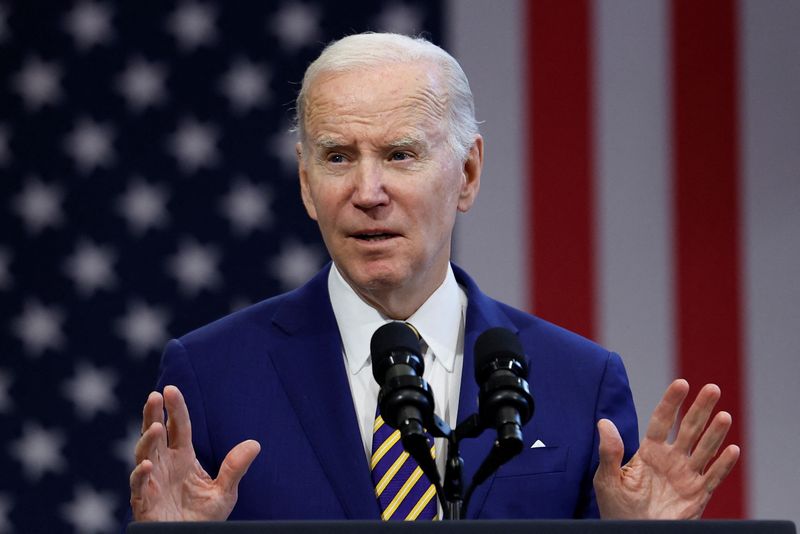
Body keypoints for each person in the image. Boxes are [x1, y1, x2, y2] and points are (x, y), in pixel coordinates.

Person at [128, 32, 739, 522]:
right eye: (338, 157)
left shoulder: (578, 381)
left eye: (400, 154)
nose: (367, 193)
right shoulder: (209, 376)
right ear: (305, 181)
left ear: (467, 173)